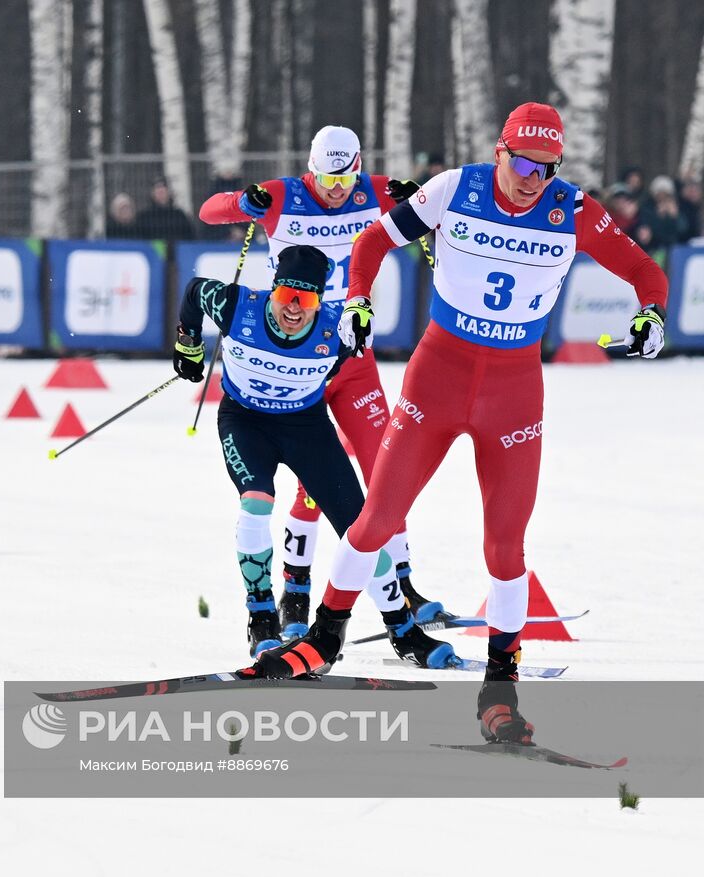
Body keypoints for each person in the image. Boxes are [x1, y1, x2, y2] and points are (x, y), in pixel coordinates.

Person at [246, 102, 668, 745]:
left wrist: (651, 317)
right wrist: (357, 300)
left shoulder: (573, 210)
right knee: (376, 516)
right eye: (522, 161)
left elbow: (645, 271)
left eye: (546, 166)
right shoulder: (455, 189)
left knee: (505, 547)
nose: (532, 177)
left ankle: (500, 692)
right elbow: (372, 241)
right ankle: (324, 640)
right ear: (500, 151)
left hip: (514, 394)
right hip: (437, 378)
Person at [198, 125, 441, 650]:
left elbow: (440, 213)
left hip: (349, 354)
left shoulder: (373, 190)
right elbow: (210, 211)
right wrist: (245, 199)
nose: (337, 189)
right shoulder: (285, 194)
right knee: (309, 475)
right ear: (312, 168)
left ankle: (401, 586)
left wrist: (414, 199)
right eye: (328, 177)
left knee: (381, 473)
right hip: (291, 353)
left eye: (346, 175)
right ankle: (293, 589)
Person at [174, 244, 455, 666]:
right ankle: (262, 617)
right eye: (286, 295)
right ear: (272, 291)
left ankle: (402, 629)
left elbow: (363, 342)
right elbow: (195, 291)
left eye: (305, 300)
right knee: (256, 503)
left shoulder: (337, 329)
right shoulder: (236, 305)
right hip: (245, 423)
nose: (294, 308)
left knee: (361, 530)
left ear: (319, 301)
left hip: (307, 427)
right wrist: (188, 344)